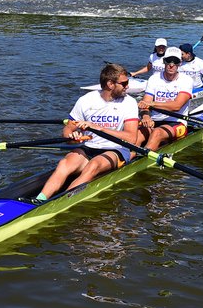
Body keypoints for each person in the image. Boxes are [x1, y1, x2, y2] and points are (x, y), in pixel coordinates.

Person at [34, 63, 139, 203]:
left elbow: (132, 138)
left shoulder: (129, 103)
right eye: (124, 83)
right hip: (90, 147)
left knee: (93, 165)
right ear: (110, 84)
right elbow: (67, 130)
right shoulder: (86, 100)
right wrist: (72, 136)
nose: (127, 86)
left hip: (117, 149)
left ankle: (61, 203)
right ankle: (39, 200)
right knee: (64, 163)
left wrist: (99, 128)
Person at [137, 47, 195, 151]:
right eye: (168, 61)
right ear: (164, 61)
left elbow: (177, 106)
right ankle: (126, 159)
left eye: (175, 61)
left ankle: (143, 160)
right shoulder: (154, 78)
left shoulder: (186, 80)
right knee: (136, 135)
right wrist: (145, 116)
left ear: (180, 63)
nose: (171, 65)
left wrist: (152, 104)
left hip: (176, 121)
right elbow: (145, 103)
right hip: (154, 120)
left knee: (157, 133)